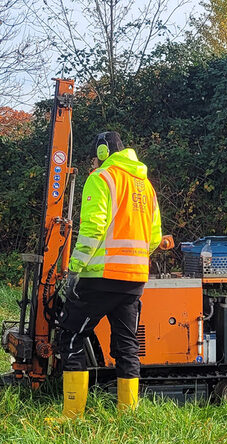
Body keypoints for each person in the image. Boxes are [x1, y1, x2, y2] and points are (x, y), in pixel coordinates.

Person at [58, 131, 162, 418]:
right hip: (135, 279)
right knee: (127, 346)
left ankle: (72, 415)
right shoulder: (146, 185)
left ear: (102, 153)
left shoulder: (102, 178)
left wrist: (74, 268)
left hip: (101, 277)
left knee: (70, 336)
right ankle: (127, 415)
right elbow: (154, 238)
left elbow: (93, 230)